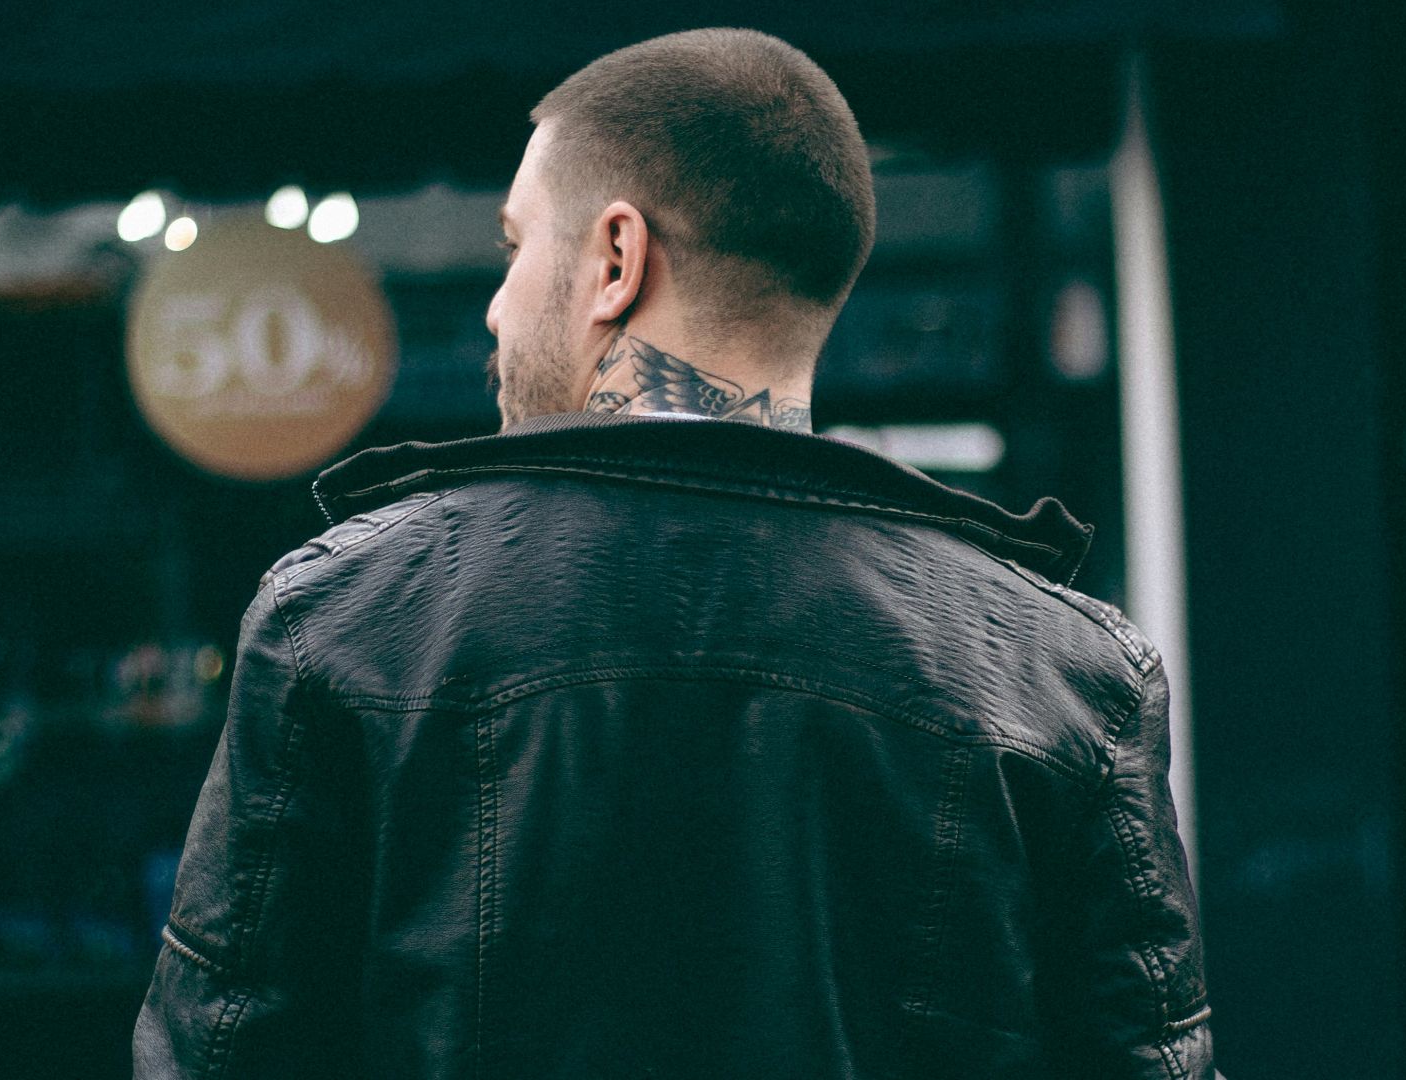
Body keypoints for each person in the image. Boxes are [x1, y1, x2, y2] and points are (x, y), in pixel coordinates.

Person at [134, 27, 1213, 1079]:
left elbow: (221, 1056)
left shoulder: (343, 625)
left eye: (516, 247)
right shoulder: (1067, 678)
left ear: (616, 257)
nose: (495, 309)